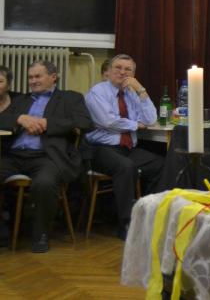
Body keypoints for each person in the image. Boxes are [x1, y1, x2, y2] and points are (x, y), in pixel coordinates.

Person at [0, 60, 93, 252]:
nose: (33, 81)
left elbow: (84, 122)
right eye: (30, 77)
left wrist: (47, 123)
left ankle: (40, 234)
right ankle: (3, 232)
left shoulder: (70, 98)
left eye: (38, 76)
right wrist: (19, 118)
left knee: (44, 183)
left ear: (53, 77)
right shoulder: (21, 100)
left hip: (48, 156)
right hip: (14, 155)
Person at [84, 54, 163, 240]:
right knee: (126, 167)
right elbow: (107, 121)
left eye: (128, 69)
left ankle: (148, 215)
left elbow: (151, 119)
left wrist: (141, 90)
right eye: (118, 68)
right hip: (100, 149)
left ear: (133, 74)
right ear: (109, 71)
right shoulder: (97, 92)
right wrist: (135, 125)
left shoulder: (131, 93)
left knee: (160, 164)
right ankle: (126, 223)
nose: (122, 72)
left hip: (127, 149)